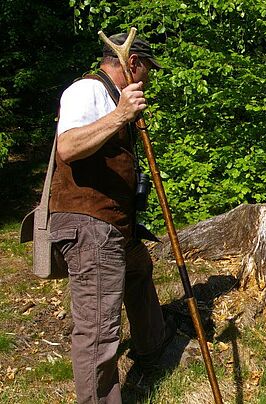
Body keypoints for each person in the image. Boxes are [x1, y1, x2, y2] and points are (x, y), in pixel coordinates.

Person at [48, 33, 172, 402]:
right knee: (99, 327)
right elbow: (67, 147)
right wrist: (121, 114)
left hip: (116, 222)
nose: (149, 76)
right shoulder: (87, 91)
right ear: (132, 62)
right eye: (147, 67)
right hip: (90, 224)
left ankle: (152, 350)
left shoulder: (111, 97)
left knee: (139, 270)